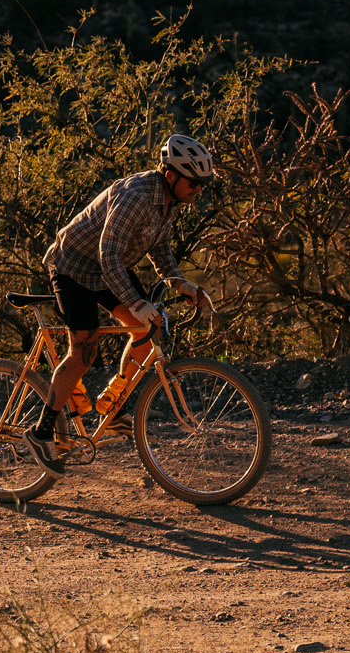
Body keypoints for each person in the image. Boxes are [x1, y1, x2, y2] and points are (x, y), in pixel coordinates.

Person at [24, 133, 216, 474]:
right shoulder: (136, 197)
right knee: (84, 352)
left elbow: (160, 249)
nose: (198, 189)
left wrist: (180, 282)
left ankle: (112, 408)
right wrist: (136, 303)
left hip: (107, 270)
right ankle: (40, 433)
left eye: (203, 183)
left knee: (148, 330)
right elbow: (108, 254)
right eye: (193, 181)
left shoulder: (170, 201)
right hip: (73, 267)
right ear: (170, 174)